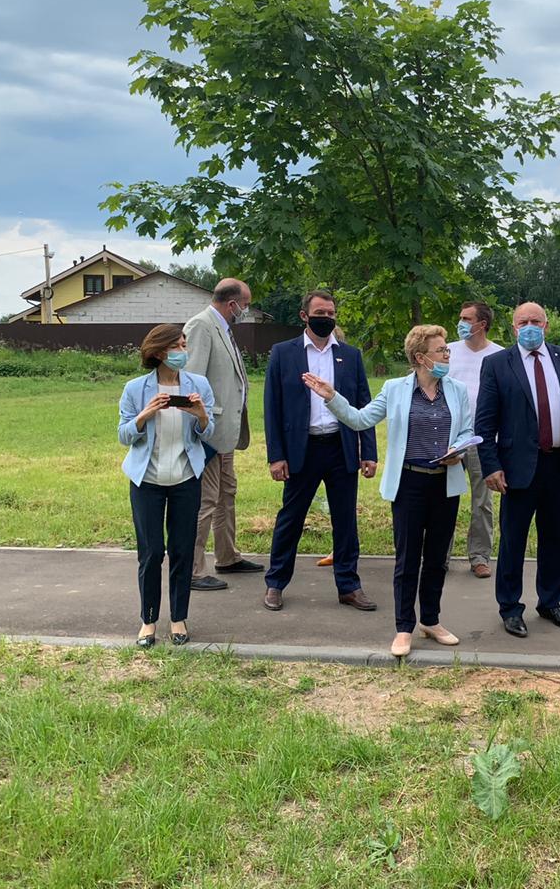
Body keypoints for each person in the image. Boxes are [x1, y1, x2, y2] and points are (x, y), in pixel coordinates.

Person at [303, 325, 472, 657]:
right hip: (409, 483)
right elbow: (360, 419)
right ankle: (404, 627)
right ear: (420, 357)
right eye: (441, 351)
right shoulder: (395, 389)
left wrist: (459, 450)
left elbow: (466, 430)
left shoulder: (457, 390)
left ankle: (431, 620)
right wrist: (332, 397)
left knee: (437, 559)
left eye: (447, 351)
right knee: (407, 559)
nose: (447, 356)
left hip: (445, 481)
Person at [475, 301, 560, 638]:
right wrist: (491, 465)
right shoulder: (497, 364)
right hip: (516, 467)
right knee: (513, 540)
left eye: (535, 321)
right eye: (522, 322)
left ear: (546, 325)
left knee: (556, 538)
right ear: (513, 328)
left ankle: (550, 601)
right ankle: (510, 607)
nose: (529, 326)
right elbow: (484, 422)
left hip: (558, 463)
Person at [262, 290, 379, 613]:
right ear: (304, 316)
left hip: (341, 448)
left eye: (330, 313)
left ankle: (349, 586)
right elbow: (272, 407)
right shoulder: (283, 353)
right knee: (291, 519)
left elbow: (364, 406)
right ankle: (275, 583)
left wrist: (368, 451)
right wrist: (276, 456)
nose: (326, 318)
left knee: (345, 521)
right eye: (319, 313)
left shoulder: (350, 356)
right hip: (302, 450)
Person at [118, 324, 215, 647]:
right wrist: (144, 414)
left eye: (184, 345)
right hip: (147, 481)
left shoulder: (198, 385)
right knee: (151, 552)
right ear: (160, 352)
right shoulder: (135, 388)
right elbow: (123, 435)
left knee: (182, 550)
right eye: (177, 346)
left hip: (186, 479)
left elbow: (208, 432)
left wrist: (201, 414)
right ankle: (148, 621)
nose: (183, 352)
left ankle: (178, 619)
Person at [183, 278, 262, 592]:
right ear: (232, 304)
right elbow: (191, 384)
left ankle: (227, 556)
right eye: (245, 305)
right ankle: (191, 570)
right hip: (208, 433)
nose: (246, 311)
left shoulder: (223, 328)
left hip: (226, 433)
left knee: (226, 494)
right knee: (206, 500)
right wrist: (200, 427)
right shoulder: (201, 327)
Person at [445, 301, 503, 578]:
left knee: (483, 501)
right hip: (450, 439)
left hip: (484, 440)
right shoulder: (448, 352)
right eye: (461, 318)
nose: (461, 323)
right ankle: (439, 555)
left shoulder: (500, 356)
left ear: (482, 324)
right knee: (445, 498)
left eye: (467, 319)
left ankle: (480, 556)